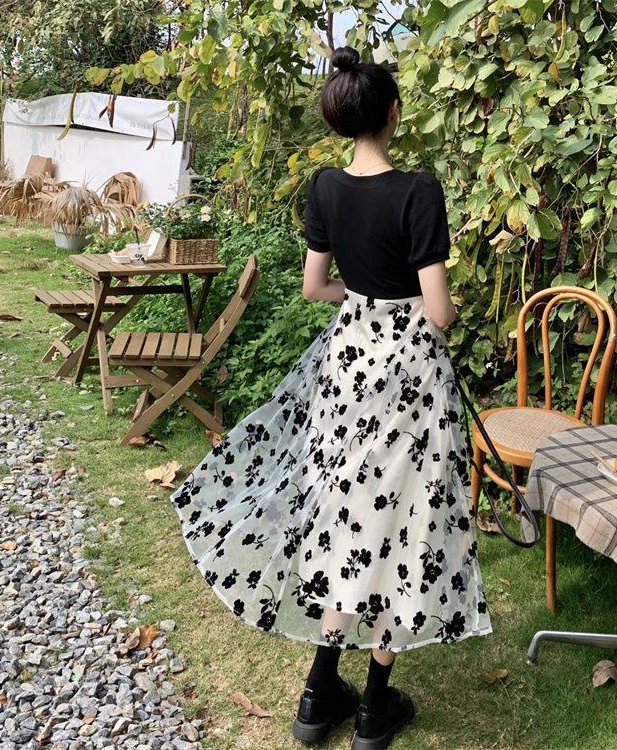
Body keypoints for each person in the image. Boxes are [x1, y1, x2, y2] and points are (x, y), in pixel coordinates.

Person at [170, 45, 491, 750]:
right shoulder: (419, 191)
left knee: (341, 511)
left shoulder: (323, 187)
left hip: (346, 367)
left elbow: (315, 286)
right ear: (394, 113)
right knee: (405, 521)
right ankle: (374, 705)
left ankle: (318, 694)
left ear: (344, 117)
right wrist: (416, 303)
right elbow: (439, 311)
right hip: (408, 375)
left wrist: (364, 294)